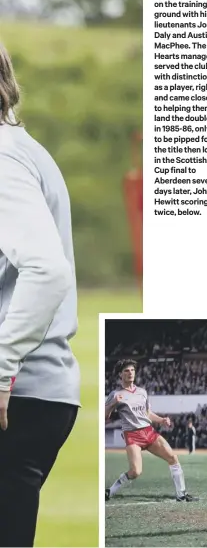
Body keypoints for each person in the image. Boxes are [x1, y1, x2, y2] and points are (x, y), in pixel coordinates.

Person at [0, 41, 80, 548]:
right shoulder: (18, 149)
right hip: (33, 395)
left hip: (18, 397)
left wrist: (1, 367)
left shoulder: (4, 158)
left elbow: (48, 271)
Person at [105, 359, 198, 502]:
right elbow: (104, 417)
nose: (130, 373)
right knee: (135, 472)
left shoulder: (142, 392)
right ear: (120, 375)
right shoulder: (115, 394)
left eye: (132, 370)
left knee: (173, 458)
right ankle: (110, 491)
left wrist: (161, 420)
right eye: (126, 371)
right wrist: (113, 403)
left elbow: (147, 413)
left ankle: (181, 494)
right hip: (132, 435)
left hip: (149, 431)